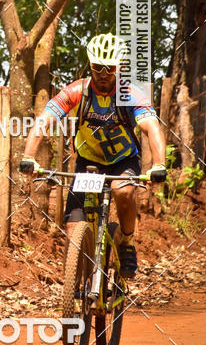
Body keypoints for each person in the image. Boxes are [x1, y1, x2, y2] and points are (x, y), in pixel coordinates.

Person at [20, 33, 167, 278]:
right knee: (73, 226)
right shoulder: (77, 91)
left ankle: (127, 242)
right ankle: (79, 283)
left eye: (109, 68)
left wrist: (160, 164)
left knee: (123, 191)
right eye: (98, 67)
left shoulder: (130, 94)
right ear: (91, 65)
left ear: (118, 67)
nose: (103, 74)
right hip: (88, 163)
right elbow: (44, 120)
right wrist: (28, 157)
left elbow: (151, 126)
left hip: (122, 160)